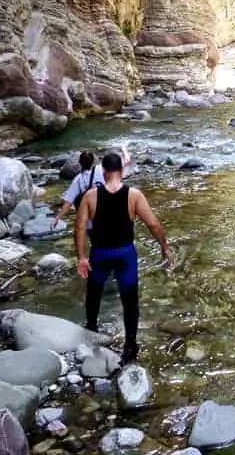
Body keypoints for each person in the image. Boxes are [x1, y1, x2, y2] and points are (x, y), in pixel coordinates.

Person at [75, 151, 171, 366]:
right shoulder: (134, 195)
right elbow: (153, 224)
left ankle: (91, 330)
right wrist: (164, 247)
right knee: (130, 301)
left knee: (94, 293)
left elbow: (79, 227)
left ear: (104, 171)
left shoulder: (90, 195)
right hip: (125, 254)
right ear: (121, 170)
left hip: (100, 253)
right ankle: (130, 346)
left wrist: (81, 257)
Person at [52, 146, 131, 229]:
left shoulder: (78, 179)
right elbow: (127, 161)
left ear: (80, 163)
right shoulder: (104, 170)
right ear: (94, 160)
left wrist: (57, 218)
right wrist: (124, 150)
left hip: (91, 223)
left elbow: (68, 203)